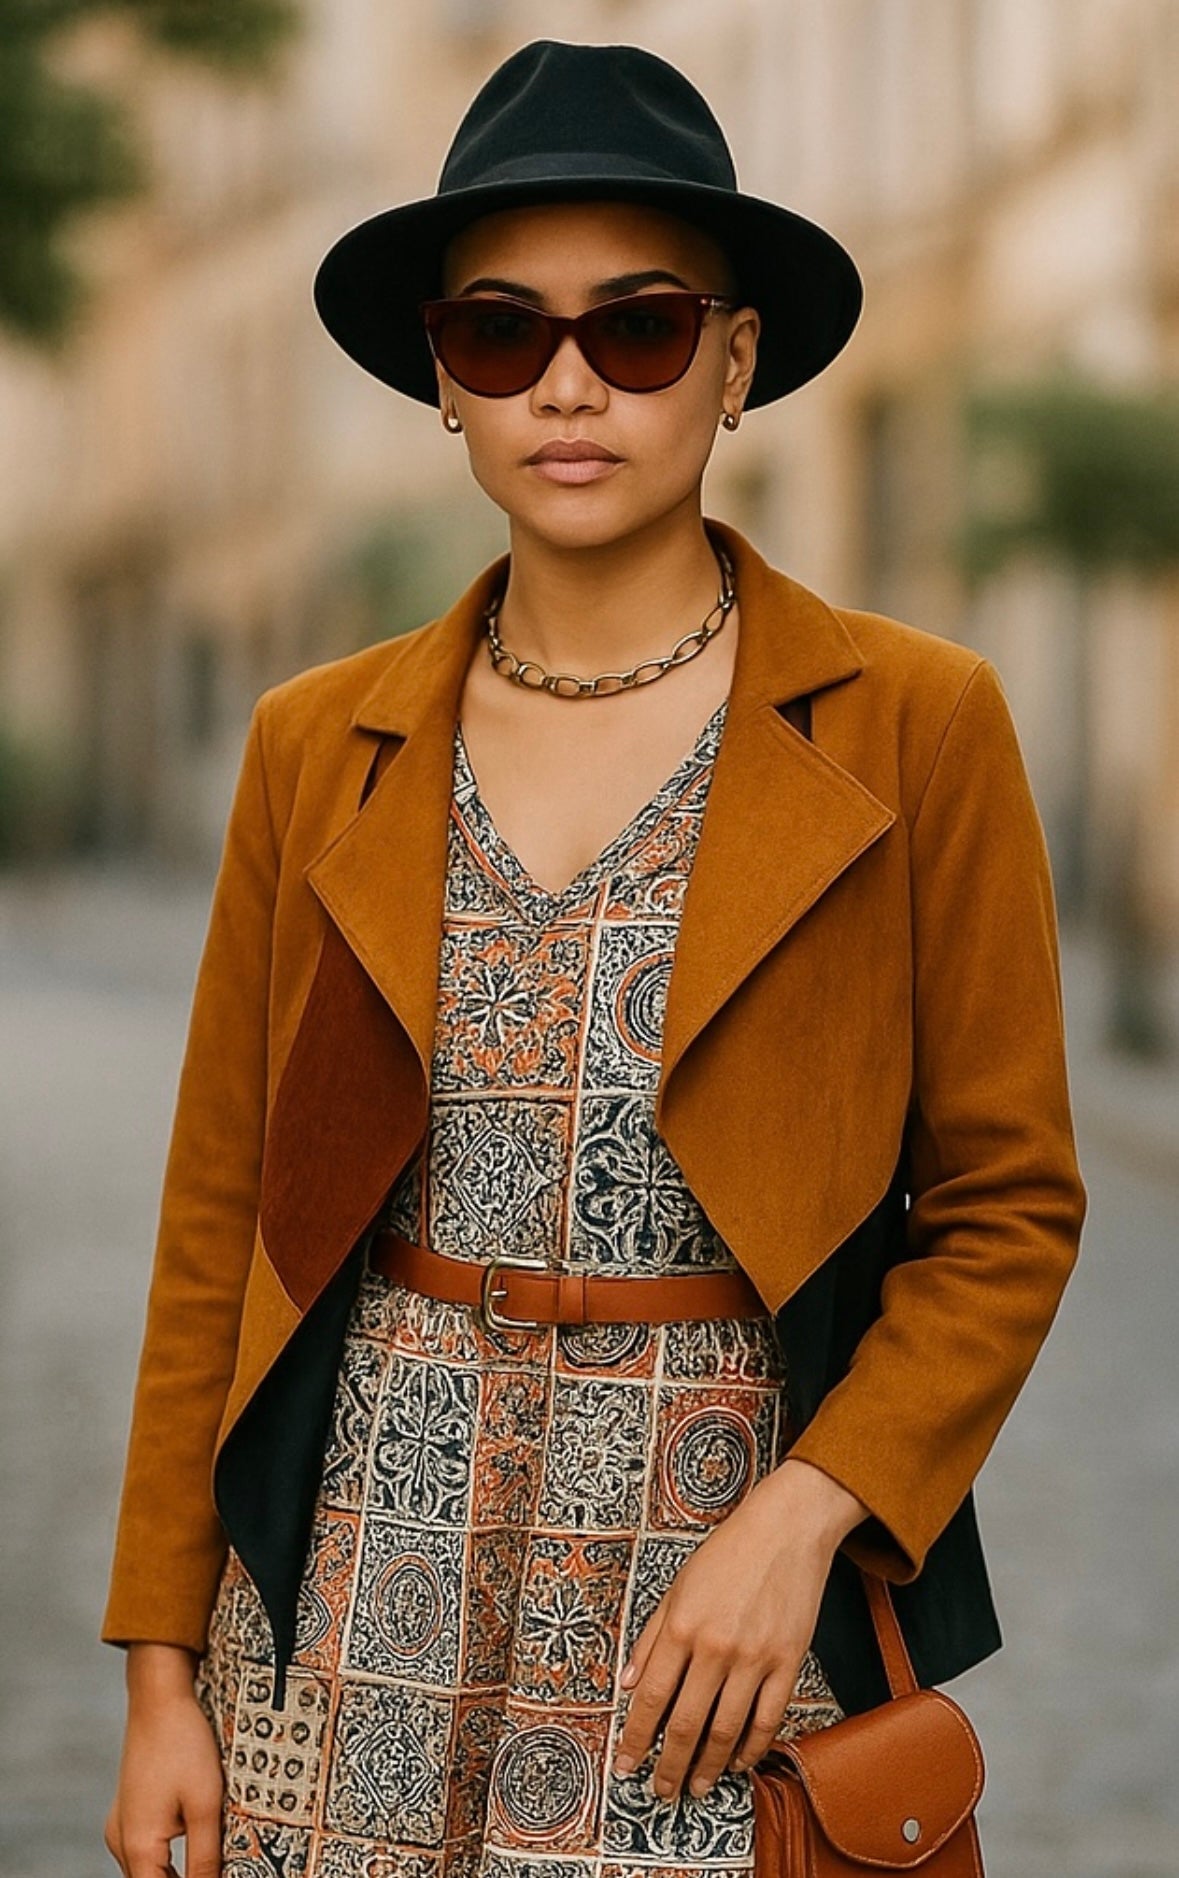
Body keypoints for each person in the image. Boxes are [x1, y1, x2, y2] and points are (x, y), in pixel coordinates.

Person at [100, 38, 1088, 1878]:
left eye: (637, 328)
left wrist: (810, 1513)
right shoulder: (318, 745)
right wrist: (165, 1670)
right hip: (342, 1600)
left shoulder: (916, 728)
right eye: (499, 332)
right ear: (441, 378)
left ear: (736, 359)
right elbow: (217, 1217)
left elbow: (1011, 1202)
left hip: (709, 1609)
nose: (568, 384)